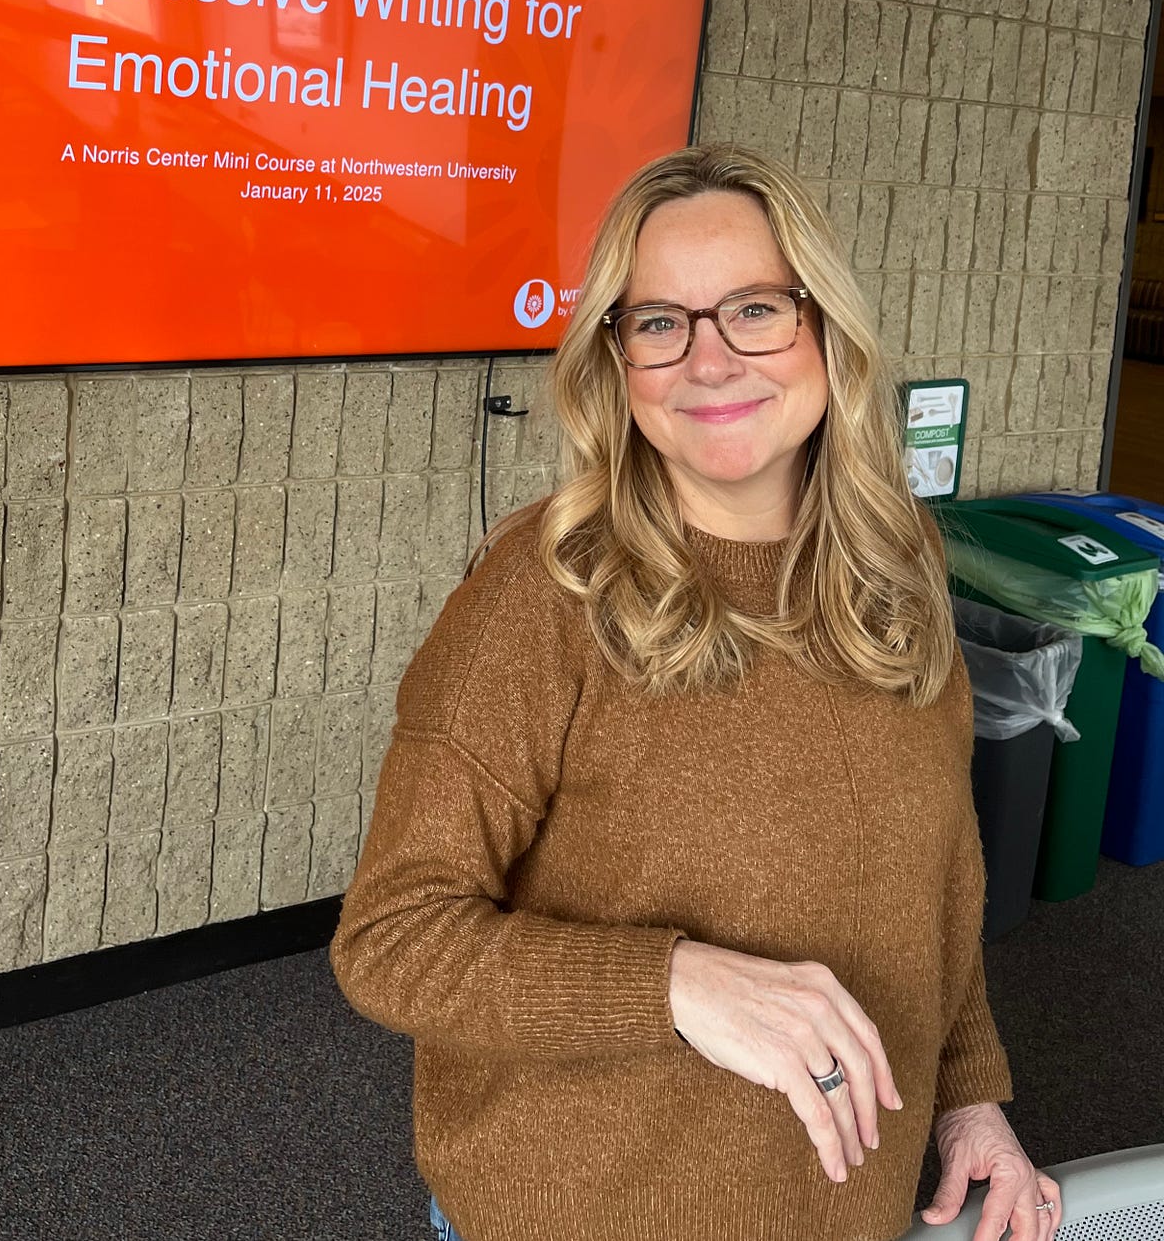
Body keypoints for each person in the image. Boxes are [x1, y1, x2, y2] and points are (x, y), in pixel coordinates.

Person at [330, 144, 1063, 1241]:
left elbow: (937, 870)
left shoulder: (893, 560)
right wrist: (674, 984)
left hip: (841, 1202)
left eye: (754, 310)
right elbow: (389, 940)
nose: (708, 361)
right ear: (613, 359)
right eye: (659, 322)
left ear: (824, 330)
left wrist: (968, 1095)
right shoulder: (542, 595)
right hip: (582, 1211)